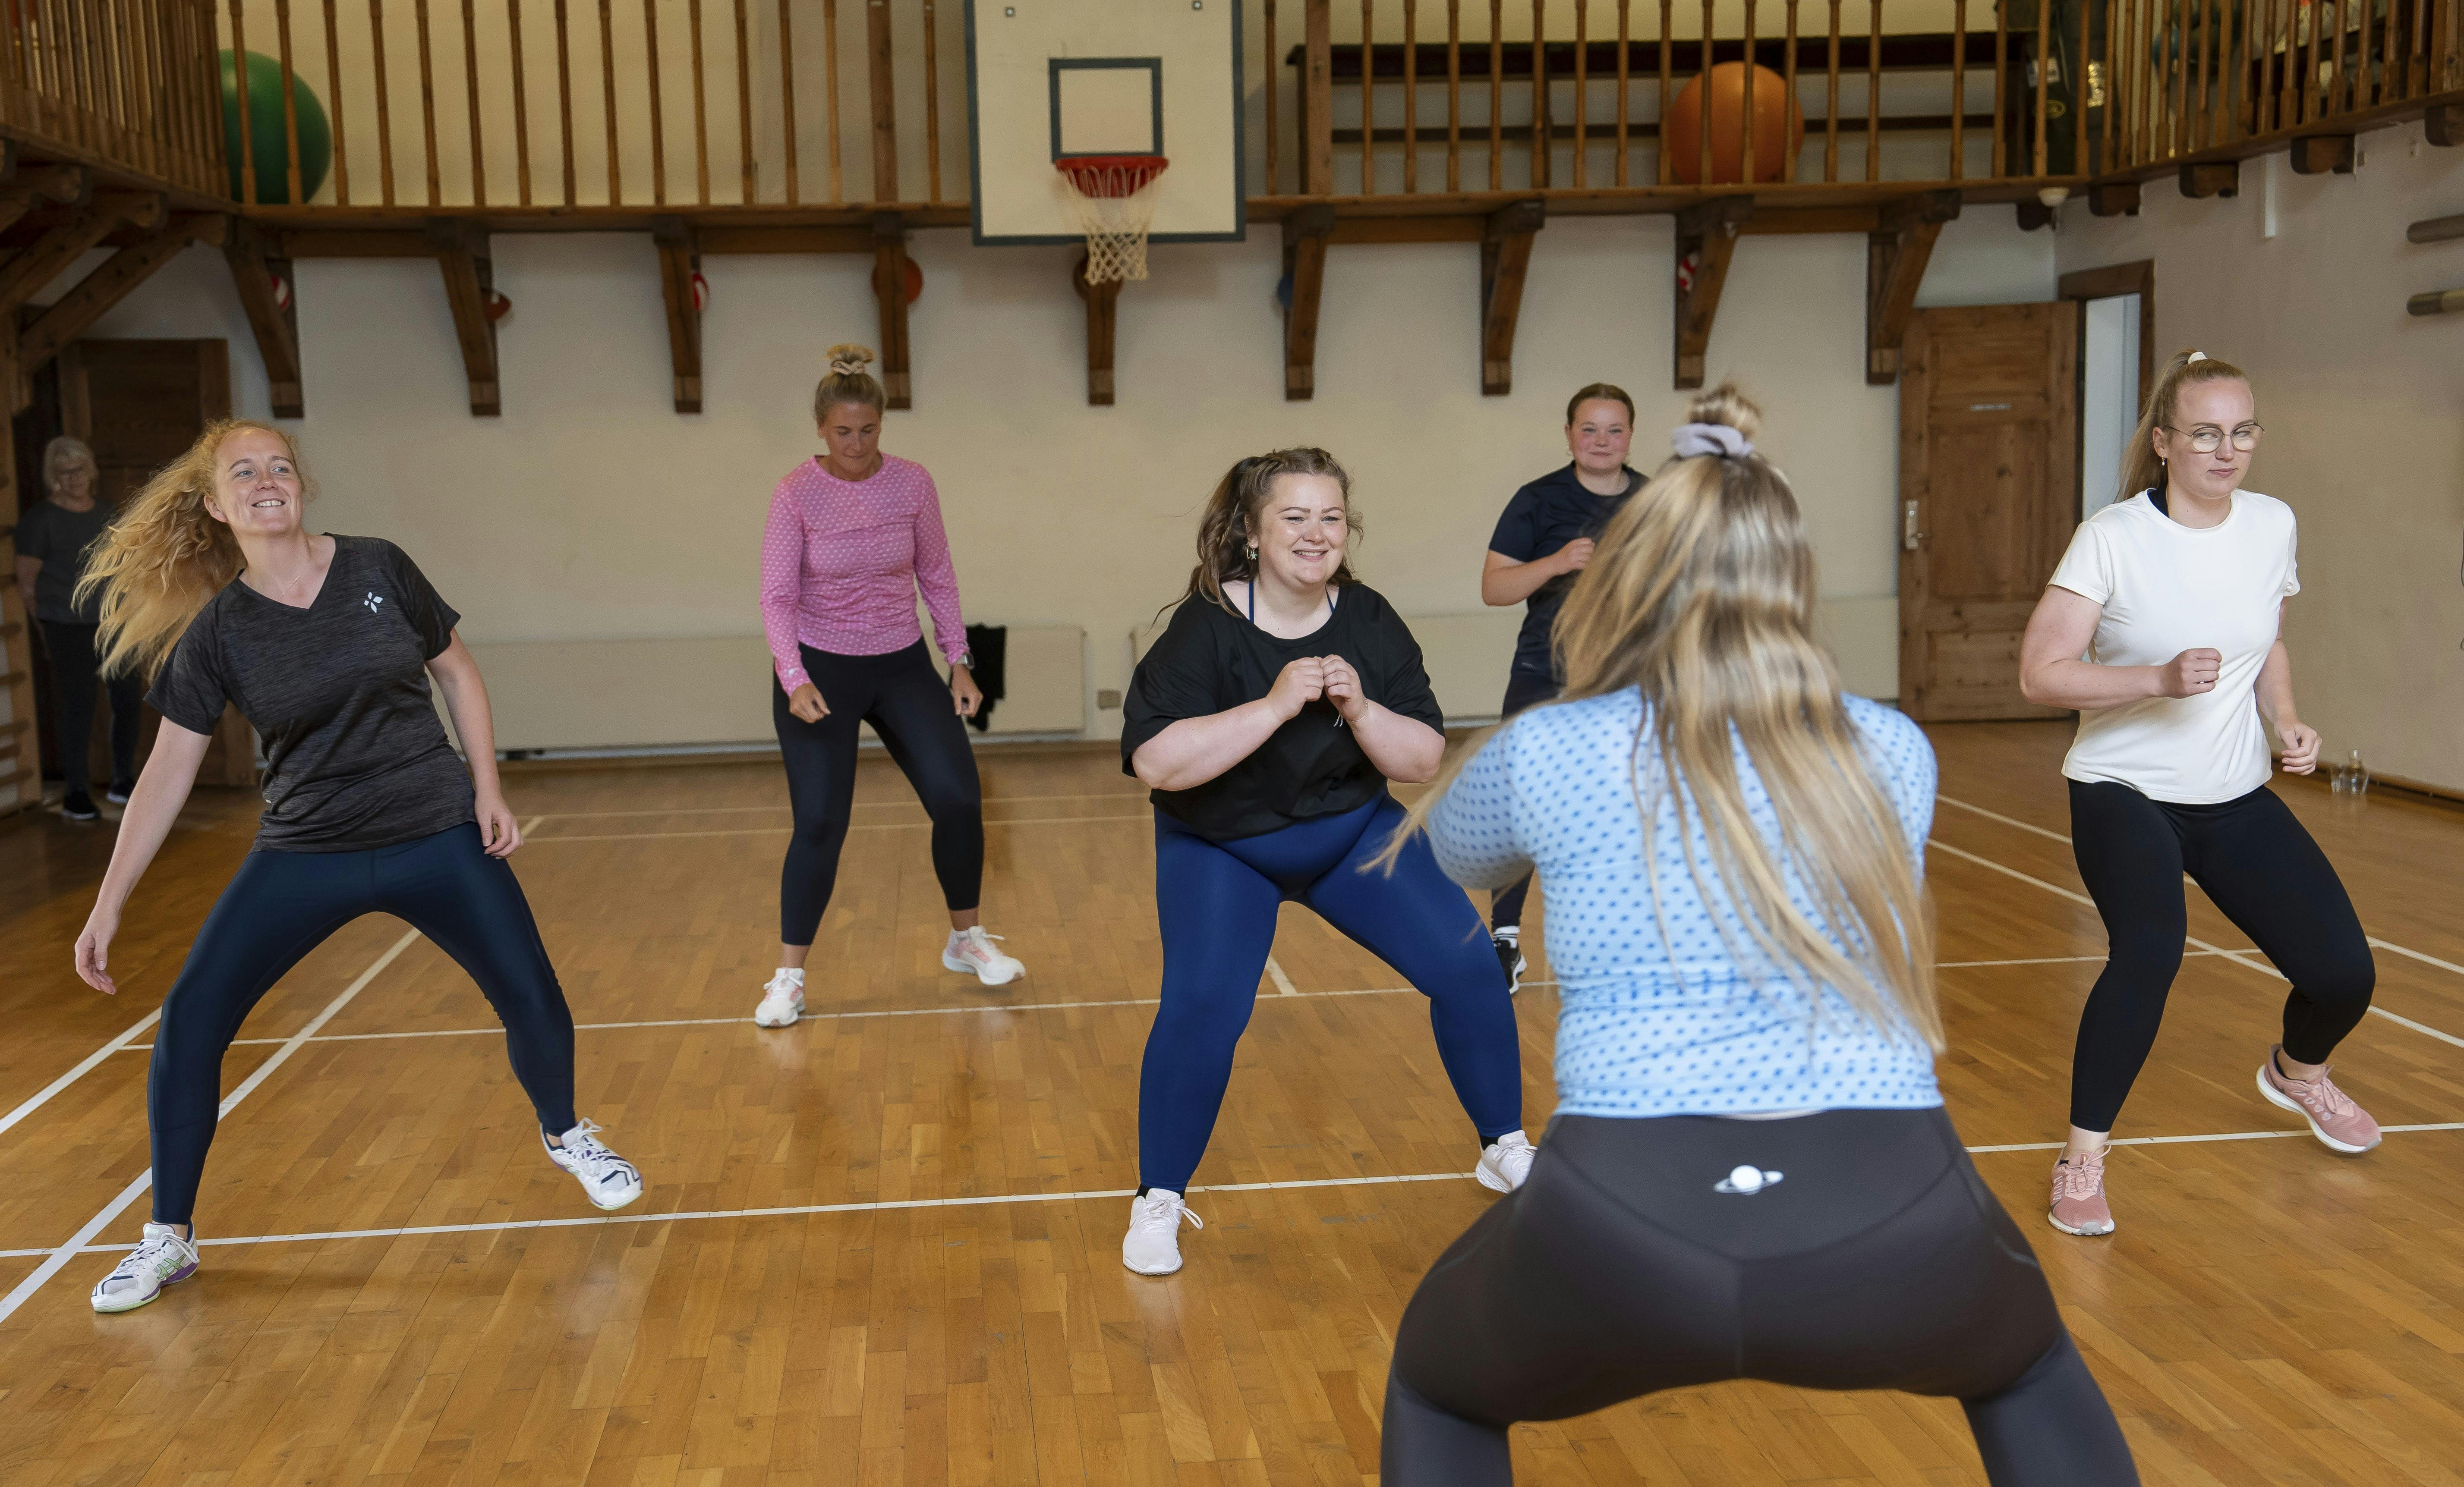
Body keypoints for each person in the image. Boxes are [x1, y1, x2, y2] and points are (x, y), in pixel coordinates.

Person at [1374, 387, 2140, 1487]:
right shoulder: (1887, 747)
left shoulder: (1547, 748)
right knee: (2024, 1373)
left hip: (1621, 1215)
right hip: (1894, 1204)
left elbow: (1452, 858)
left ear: (1627, 579)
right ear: (1790, 580)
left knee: (1438, 1381)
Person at [69, 420, 643, 1315]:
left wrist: (487, 787)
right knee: (190, 1021)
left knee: (531, 991)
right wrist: (107, 906)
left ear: (301, 487)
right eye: (244, 473)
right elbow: (167, 772)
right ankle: (166, 1237)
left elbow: (456, 673)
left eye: (281, 467)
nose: (267, 481)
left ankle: (569, 1135)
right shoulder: (221, 631)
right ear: (218, 508)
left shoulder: (379, 567)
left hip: (433, 828)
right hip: (307, 849)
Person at [1117, 448, 1530, 1278]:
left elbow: (1419, 759)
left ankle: (1504, 1145)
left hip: (1348, 834)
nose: (1316, 533)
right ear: (1253, 532)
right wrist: (1274, 705)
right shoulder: (1205, 626)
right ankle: (1157, 1198)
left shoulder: (1369, 619)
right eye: (1294, 517)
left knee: (1468, 965)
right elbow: (1156, 764)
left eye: (1331, 517)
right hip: (1221, 848)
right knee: (1203, 1009)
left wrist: (1360, 704)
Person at [2018, 349, 2376, 1239]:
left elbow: (2264, 644)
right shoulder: (2111, 535)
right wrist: (2154, 678)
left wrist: (2285, 718)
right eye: (2205, 433)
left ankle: (2296, 1072)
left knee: (2341, 973)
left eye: (2241, 431)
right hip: (2121, 787)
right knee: (2148, 950)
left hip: (2228, 794)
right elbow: (2038, 675)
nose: (2226, 451)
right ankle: (2081, 1160)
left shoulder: (2269, 524)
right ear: (2165, 440)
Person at [753, 344, 1021, 1028]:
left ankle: (966, 939)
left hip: (902, 664)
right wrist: (794, 678)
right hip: (822, 668)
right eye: (843, 431)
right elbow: (777, 597)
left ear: (881, 425)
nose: (856, 443)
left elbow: (938, 575)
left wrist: (958, 659)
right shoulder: (794, 493)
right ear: (821, 427)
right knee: (819, 822)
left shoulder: (912, 484)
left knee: (959, 798)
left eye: (868, 430)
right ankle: (789, 977)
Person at [1475, 384, 1641, 990]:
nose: (1601, 441)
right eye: (1589, 429)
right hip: (1543, 672)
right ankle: (1506, 939)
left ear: (1630, 435)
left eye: (1613, 429)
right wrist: (1555, 562)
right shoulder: (1537, 500)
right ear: (1569, 433)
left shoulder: (1653, 501)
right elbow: (1494, 588)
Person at [13, 436, 143, 819]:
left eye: (80, 469)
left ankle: (122, 782)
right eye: (65, 472)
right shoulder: (40, 520)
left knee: (128, 702)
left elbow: (125, 566)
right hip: (65, 624)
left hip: (113, 621)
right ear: (53, 476)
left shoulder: (107, 512)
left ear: (92, 471)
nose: (74, 479)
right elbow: (27, 582)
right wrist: (43, 631)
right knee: (79, 707)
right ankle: (75, 792)